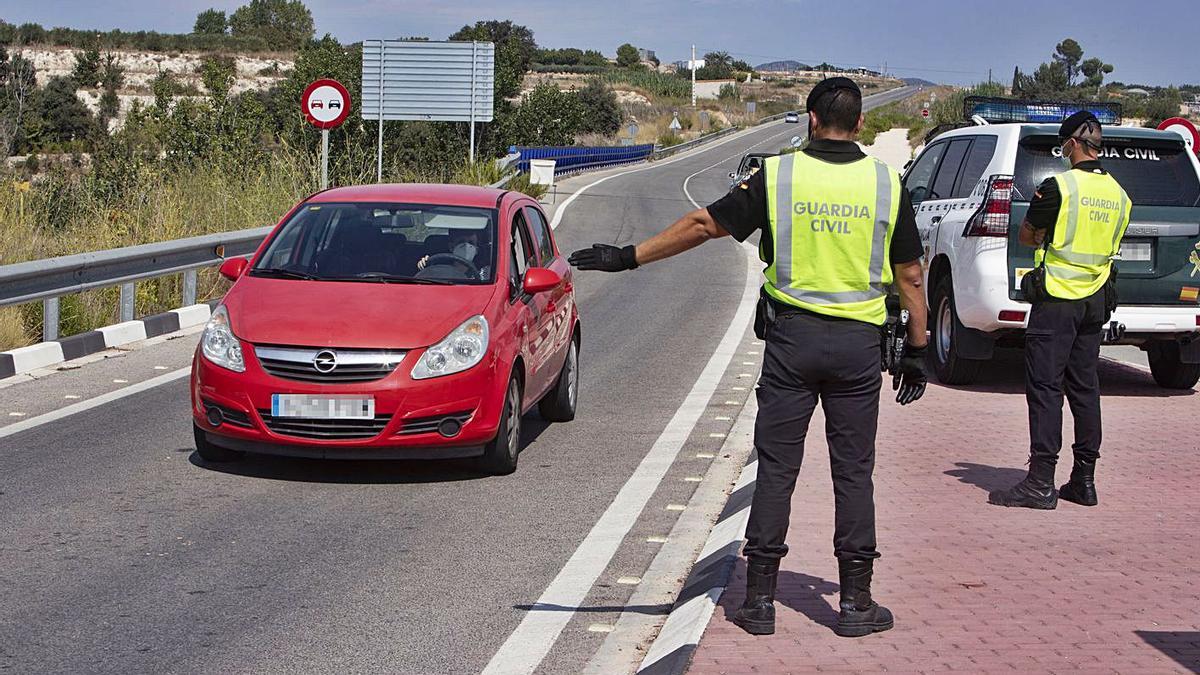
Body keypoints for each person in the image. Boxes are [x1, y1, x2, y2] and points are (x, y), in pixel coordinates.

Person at [568, 77, 929, 638]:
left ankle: (759, 600)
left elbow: (704, 223)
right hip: (858, 348)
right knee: (853, 472)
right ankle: (856, 603)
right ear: (861, 125)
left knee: (778, 469)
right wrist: (919, 349)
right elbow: (909, 274)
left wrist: (629, 256)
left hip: (791, 343)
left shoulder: (780, 175)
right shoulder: (886, 183)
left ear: (810, 120)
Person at [989, 111, 1130, 510]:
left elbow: (1028, 235)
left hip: (1057, 300)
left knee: (1046, 388)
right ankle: (1084, 480)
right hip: (1095, 300)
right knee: (1085, 387)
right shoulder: (1120, 195)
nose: (1062, 149)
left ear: (1072, 143)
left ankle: (1040, 482)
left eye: (1062, 143)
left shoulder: (1058, 188)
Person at [417, 229, 491, 280]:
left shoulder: (484, 272)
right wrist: (425, 266)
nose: (466, 246)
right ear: (451, 247)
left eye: (471, 243)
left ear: (476, 250)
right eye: (461, 242)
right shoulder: (438, 268)